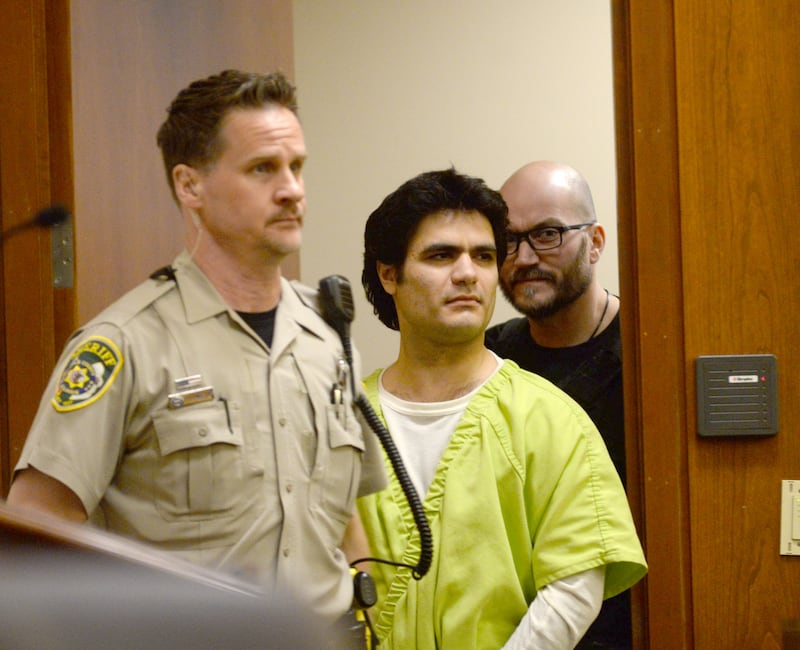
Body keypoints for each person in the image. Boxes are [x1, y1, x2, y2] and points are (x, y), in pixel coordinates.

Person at [6, 69, 385, 625]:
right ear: (190, 187)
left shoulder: (329, 337)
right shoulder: (125, 345)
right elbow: (34, 531)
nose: (291, 189)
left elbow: (343, 519)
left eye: (297, 167)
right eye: (263, 168)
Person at [356, 168, 647, 649]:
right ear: (390, 274)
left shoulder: (551, 418)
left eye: (485, 256)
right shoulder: (346, 421)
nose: (467, 273)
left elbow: (574, 586)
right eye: (441, 255)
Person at [485, 161, 631, 648]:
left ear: (595, 242)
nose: (524, 257)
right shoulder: (488, 359)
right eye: (508, 240)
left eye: (548, 234)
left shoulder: (648, 357)